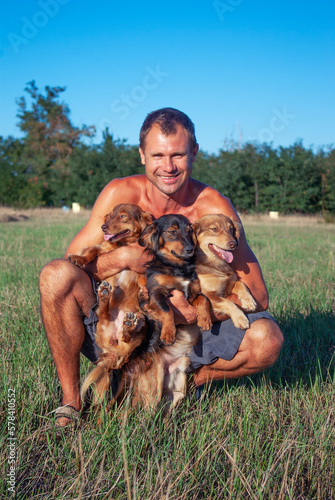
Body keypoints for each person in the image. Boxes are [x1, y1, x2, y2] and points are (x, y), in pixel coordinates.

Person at [39, 108, 283, 427]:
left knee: (267, 339)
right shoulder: (120, 193)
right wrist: (124, 258)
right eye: (157, 155)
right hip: (121, 323)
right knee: (55, 276)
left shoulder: (212, 207)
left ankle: (176, 383)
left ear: (194, 152)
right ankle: (70, 404)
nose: (167, 166)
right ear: (142, 154)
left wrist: (189, 312)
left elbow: (259, 296)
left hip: (186, 331)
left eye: (178, 155)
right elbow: (72, 262)